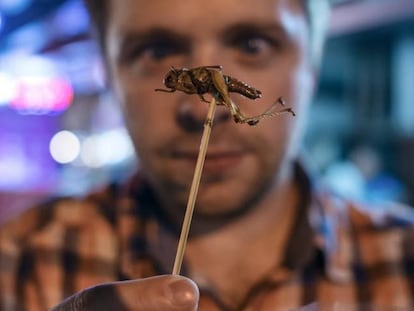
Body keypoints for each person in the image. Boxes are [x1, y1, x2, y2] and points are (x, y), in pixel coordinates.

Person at [1, 0, 414, 310]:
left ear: (313, 63)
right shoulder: (17, 266)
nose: (202, 111)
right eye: (156, 50)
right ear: (108, 73)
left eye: (253, 44)